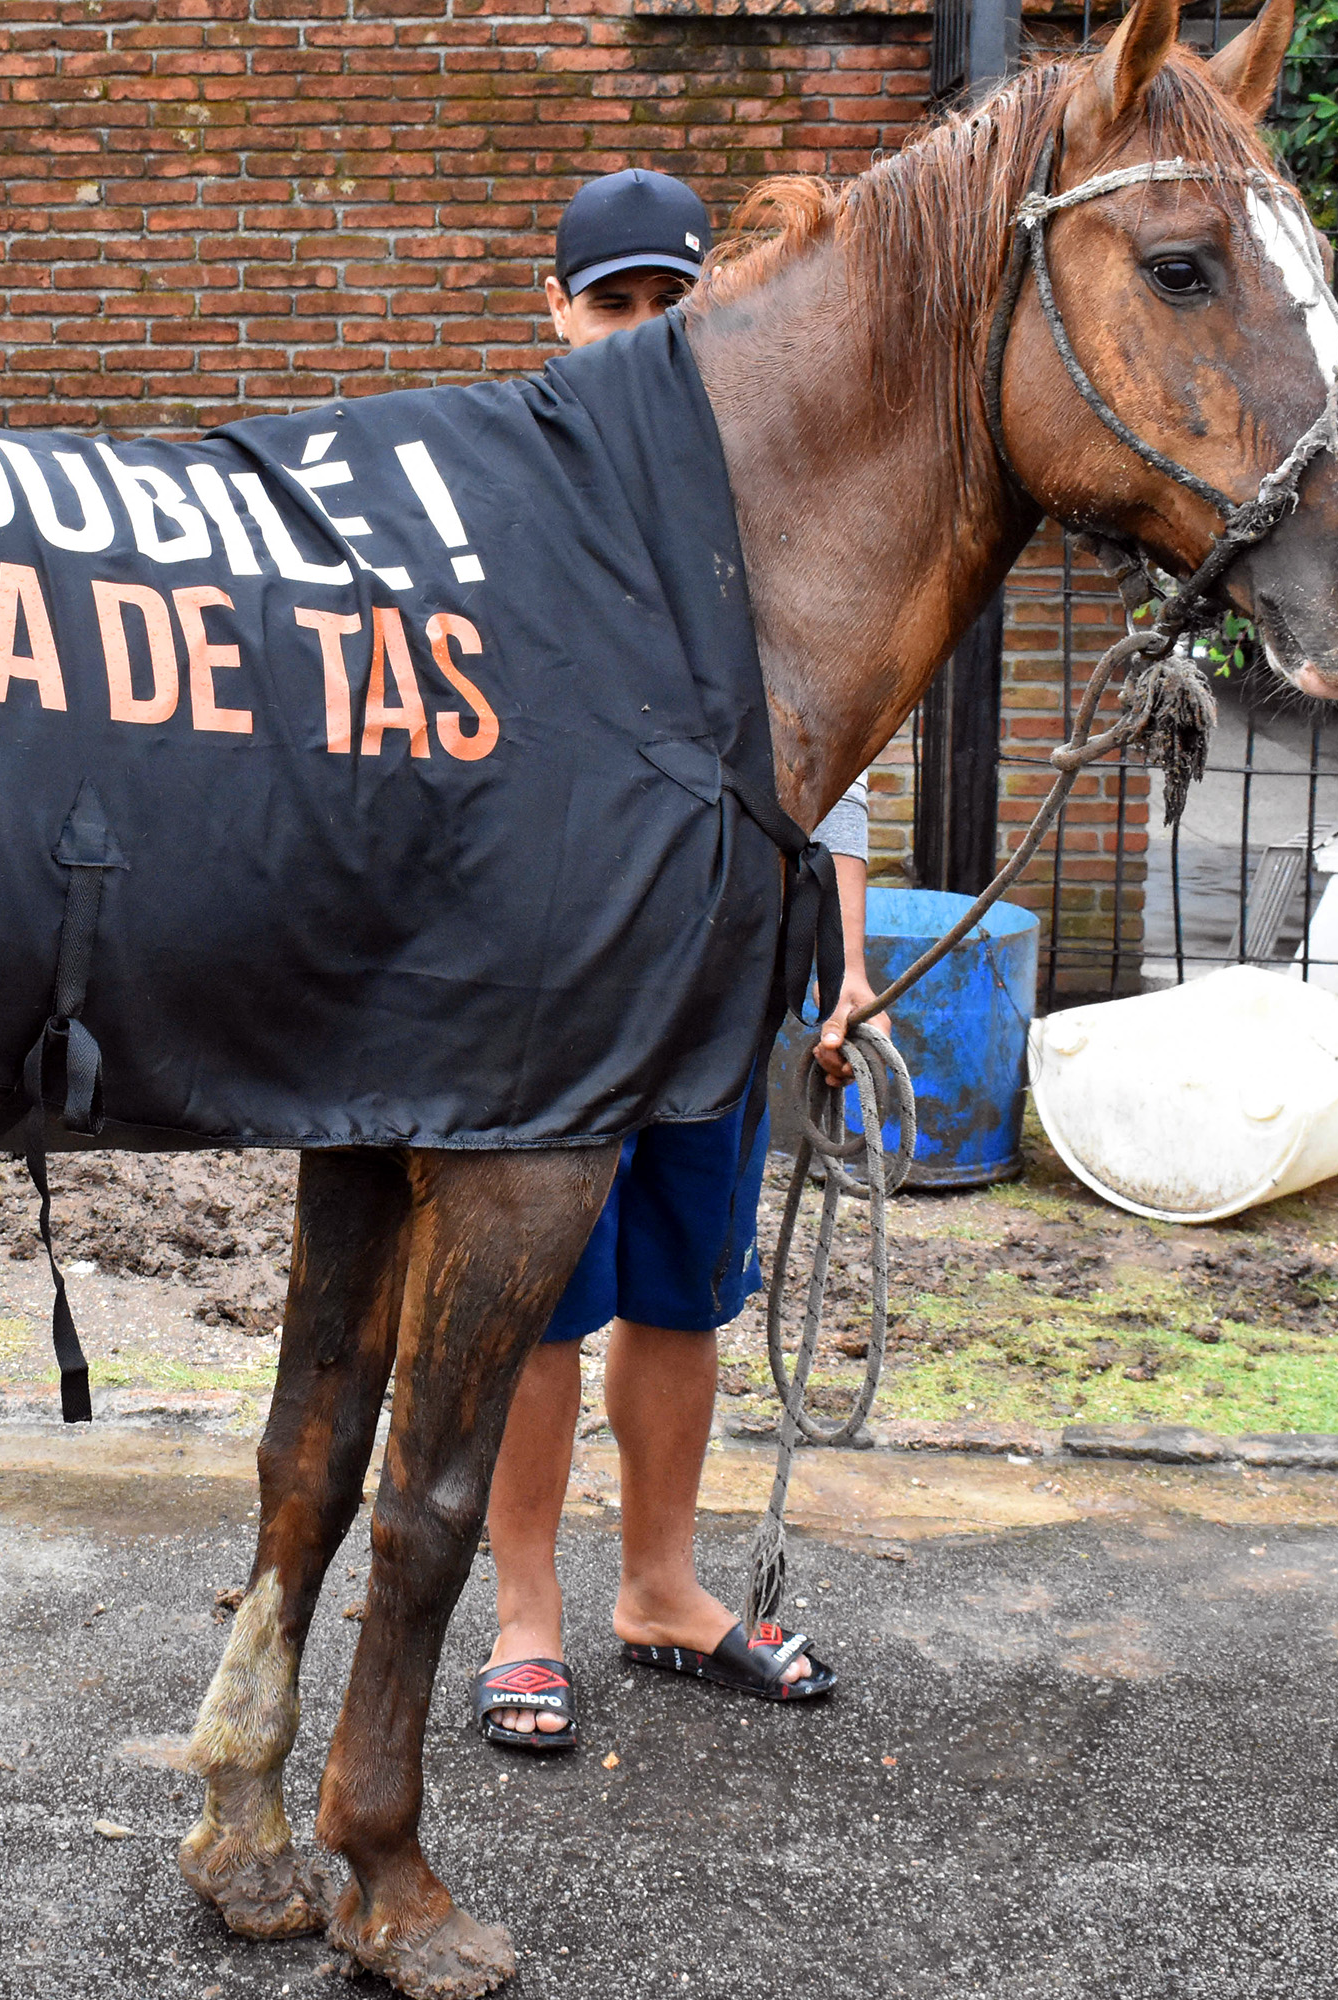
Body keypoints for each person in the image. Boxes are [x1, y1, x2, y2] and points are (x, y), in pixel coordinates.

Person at [473, 170, 883, 1750]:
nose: (643, 335)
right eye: (614, 306)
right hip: (550, 965)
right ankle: (523, 1618)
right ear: (557, 312)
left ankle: (660, 1587)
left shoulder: (764, 487)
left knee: (680, 1291)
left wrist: (841, 958)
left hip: (723, 956)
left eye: (671, 306)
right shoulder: (500, 479)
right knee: (536, 1297)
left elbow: (828, 729)